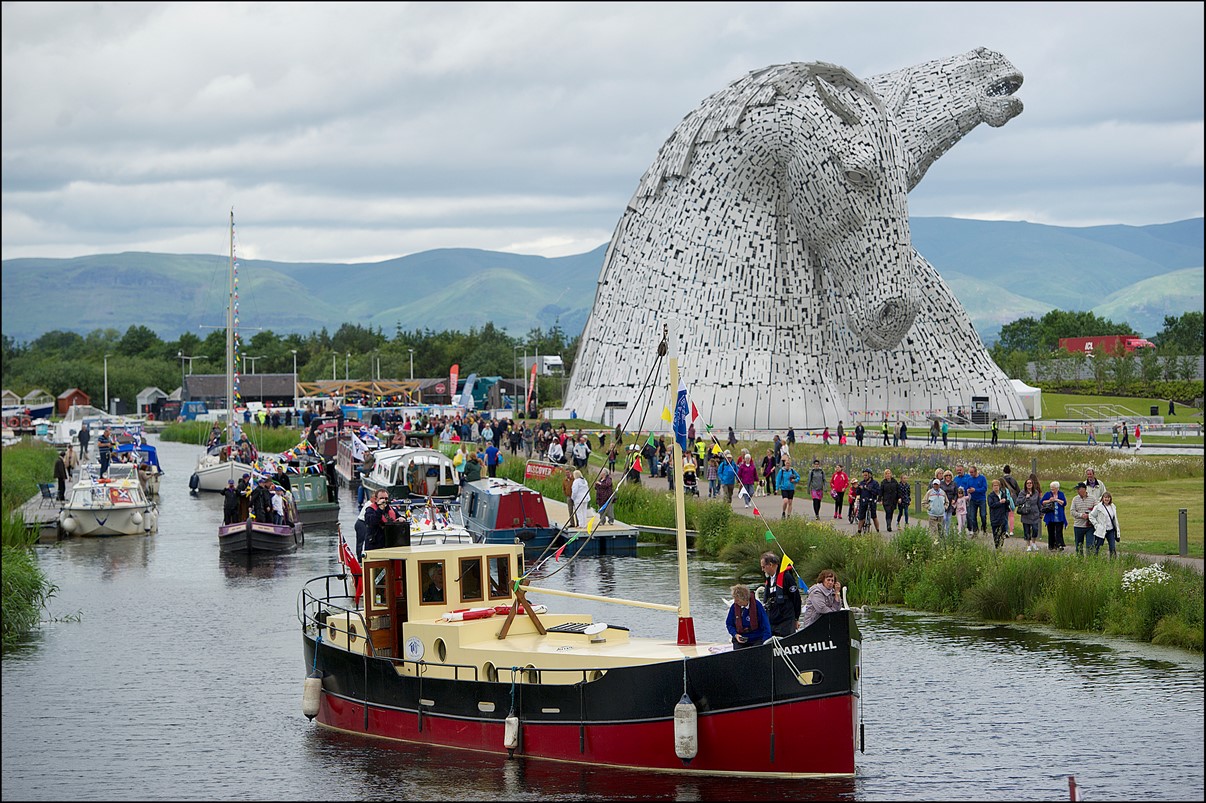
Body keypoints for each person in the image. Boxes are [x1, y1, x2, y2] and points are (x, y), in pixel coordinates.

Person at [760, 552, 802, 636]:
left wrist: (796, 618)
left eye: (763, 567)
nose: (762, 570)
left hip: (786, 619)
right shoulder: (769, 579)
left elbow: (796, 598)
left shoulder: (786, 577)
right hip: (772, 619)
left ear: (771, 565)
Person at [725, 584, 770, 649]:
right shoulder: (734, 607)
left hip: (757, 638)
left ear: (744, 598)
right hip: (741, 638)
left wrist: (765, 642)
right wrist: (735, 634)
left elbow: (766, 625)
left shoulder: (758, 606)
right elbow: (729, 624)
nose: (735, 602)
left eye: (737, 600)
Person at [1066, 481, 1096, 555]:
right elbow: (1072, 512)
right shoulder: (1075, 499)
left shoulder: (1092, 498)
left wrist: (1089, 515)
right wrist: (1081, 515)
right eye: (1077, 489)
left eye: (1079, 489)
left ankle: (1090, 560)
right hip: (1078, 526)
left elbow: (1097, 510)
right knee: (1079, 546)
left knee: (1090, 545)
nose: (1078, 491)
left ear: (1084, 489)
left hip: (1090, 526)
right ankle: (1080, 561)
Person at [1016, 476, 1044, 552]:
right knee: (1027, 531)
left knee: (1035, 529)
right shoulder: (1022, 492)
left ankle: (1034, 542)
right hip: (1026, 514)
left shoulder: (1036, 492)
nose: (1029, 484)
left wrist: (1041, 512)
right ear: (1025, 484)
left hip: (1035, 514)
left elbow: (1039, 503)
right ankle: (1028, 545)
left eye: (1030, 483)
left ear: (1032, 484)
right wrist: (1025, 497)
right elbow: (1017, 502)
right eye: (1027, 483)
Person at [1089, 491, 1120, 558]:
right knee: (1097, 546)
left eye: (1108, 497)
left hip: (1110, 530)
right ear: (1102, 498)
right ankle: (1094, 559)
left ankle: (1113, 562)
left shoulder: (1113, 506)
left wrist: (1117, 530)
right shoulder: (1098, 507)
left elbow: (1115, 519)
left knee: (1112, 547)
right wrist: (1096, 525)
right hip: (1101, 529)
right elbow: (1091, 516)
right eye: (1105, 497)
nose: (1107, 499)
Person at [1041, 480, 1068, 551]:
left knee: (1059, 532)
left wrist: (1056, 500)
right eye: (1051, 488)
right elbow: (1042, 502)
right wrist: (1050, 500)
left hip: (1059, 517)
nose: (1052, 489)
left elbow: (1064, 503)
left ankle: (1059, 545)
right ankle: (1051, 545)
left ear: (1057, 488)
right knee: (1051, 531)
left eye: (1053, 488)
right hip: (1050, 516)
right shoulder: (1048, 494)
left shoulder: (1061, 494)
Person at [987, 479, 1011, 549]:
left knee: (1002, 533)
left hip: (1003, 516)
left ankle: (1001, 546)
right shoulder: (991, 496)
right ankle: (997, 547)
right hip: (995, 517)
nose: (996, 487)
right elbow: (991, 505)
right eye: (994, 486)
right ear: (992, 487)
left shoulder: (1003, 494)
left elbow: (1008, 501)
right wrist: (999, 502)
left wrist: (1006, 501)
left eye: (997, 485)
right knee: (996, 534)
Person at [856, 468, 880, 533]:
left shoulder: (875, 483)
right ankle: (859, 531)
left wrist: (867, 488)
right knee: (861, 517)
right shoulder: (861, 483)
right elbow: (857, 493)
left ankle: (877, 530)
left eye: (866, 475)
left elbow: (877, 492)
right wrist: (858, 488)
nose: (864, 477)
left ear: (870, 475)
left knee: (874, 516)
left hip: (872, 501)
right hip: (863, 501)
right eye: (864, 475)